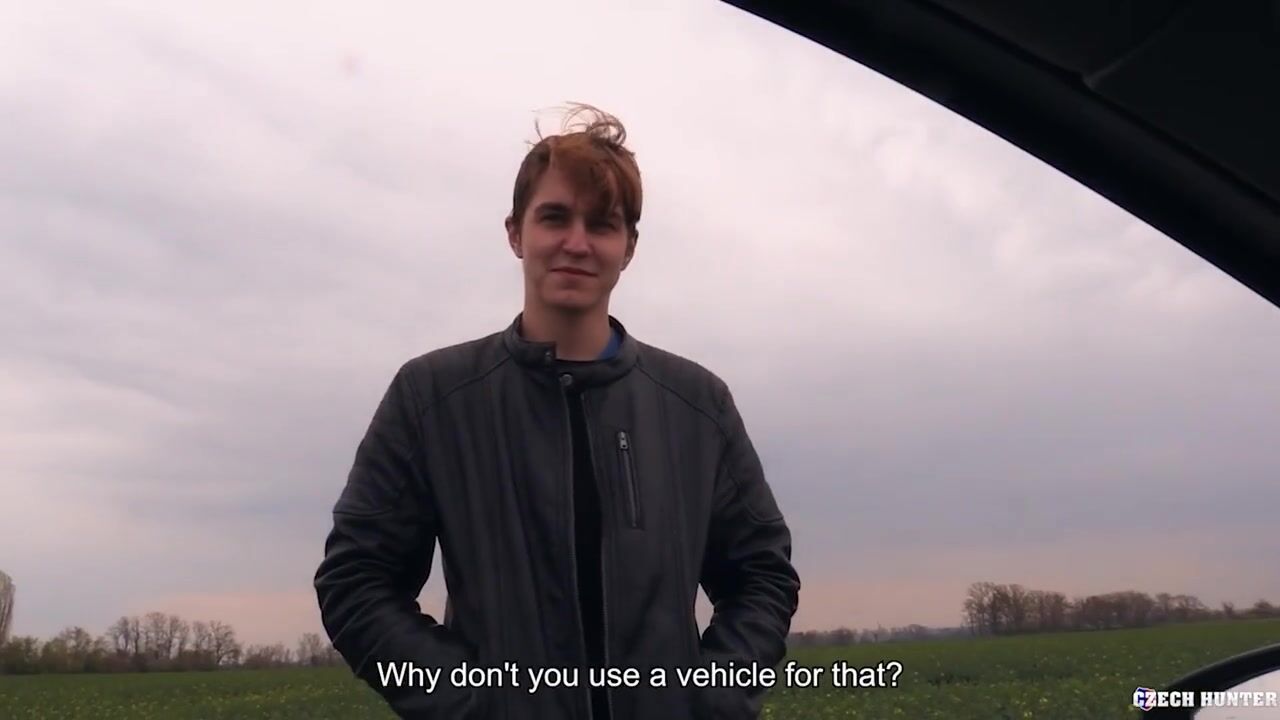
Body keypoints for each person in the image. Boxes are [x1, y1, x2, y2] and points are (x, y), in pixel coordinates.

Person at [314, 103, 800, 720]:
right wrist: (474, 707)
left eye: (602, 224)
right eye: (554, 217)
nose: (577, 243)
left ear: (628, 247)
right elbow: (356, 582)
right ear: (515, 233)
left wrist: (709, 701)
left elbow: (762, 577)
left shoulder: (698, 405)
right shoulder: (432, 398)